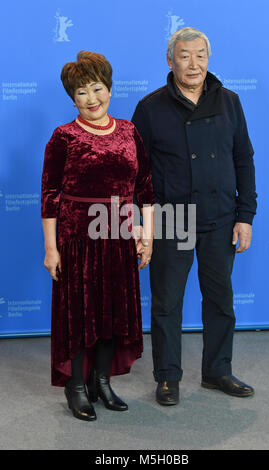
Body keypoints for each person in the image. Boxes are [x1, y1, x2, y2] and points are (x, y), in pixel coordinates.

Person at [132, 27, 257, 405]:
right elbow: (138, 172)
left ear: (209, 57)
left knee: (220, 300)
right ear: (170, 61)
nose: (194, 63)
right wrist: (143, 224)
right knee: (167, 303)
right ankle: (167, 377)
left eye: (200, 55)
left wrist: (245, 214)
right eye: (185, 55)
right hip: (173, 218)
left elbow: (243, 159)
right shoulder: (151, 107)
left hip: (220, 217)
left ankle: (218, 370)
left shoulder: (230, 102)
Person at [41, 51, 155, 421]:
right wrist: (51, 249)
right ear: (72, 98)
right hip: (76, 240)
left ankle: (101, 382)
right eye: (82, 93)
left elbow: (146, 190)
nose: (92, 99)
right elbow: (49, 196)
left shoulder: (128, 131)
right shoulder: (64, 137)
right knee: (79, 313)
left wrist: (147, 237)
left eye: (97, 88)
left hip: (120, 236)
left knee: (112, 312)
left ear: (109, 89)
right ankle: (76, 387)